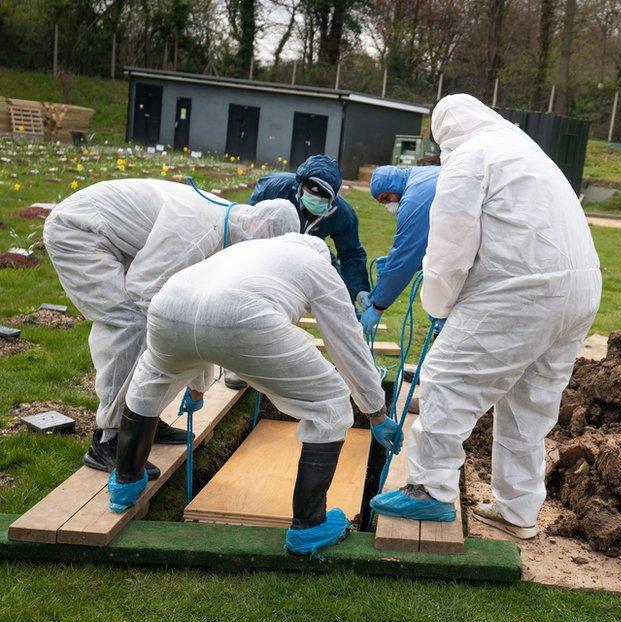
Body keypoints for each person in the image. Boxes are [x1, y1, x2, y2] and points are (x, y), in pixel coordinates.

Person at [370, 94, 602, 540]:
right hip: (581, 288)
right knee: (529, 403)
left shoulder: (469, 159)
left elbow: (449, 249)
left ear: (443, 134)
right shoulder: (525, 149)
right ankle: (518, 509)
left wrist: (438, 307)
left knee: (444, 378)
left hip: (524, 289)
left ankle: (430, 491)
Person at [108, 234, 400, 554]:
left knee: (148, 385)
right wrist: (375, 411)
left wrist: (197, 387)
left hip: (168, 308)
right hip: (242, 316)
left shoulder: (245, 250)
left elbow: (201, 318)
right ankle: (310, 524)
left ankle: (125, 481)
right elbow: (347, 343)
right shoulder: (318, 265)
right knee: (328, 401)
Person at [43, 179, 299, 479]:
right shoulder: (199, 231)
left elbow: (197, 310)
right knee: (130, 324)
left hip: (115, 236)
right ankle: (109, 438)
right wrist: (190, 360)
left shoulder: (226, 227)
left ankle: (143, 416)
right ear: (259, 233)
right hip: (78, 232)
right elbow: (147, 291)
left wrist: (198, 382)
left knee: (156, 323)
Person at [249, 155, 368, 302]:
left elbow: (350, 253)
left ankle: (354, 322)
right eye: (312, 192)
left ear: (333, 198)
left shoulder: (343, 214)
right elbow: (249, 225)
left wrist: (359, 290)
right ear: (300, 186)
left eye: (323, 197)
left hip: (313, 250)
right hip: (270, 247)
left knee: (338, 292)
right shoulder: (276, 188)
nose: (317, 198)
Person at [359, 165, 441, 335]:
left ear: (393, 187)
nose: (388, 205)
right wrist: (394, 263)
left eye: (386, 198)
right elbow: (425, 242)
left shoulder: (413, 201)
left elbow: (405, 257)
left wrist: (378, 306)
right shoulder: (422, 175)